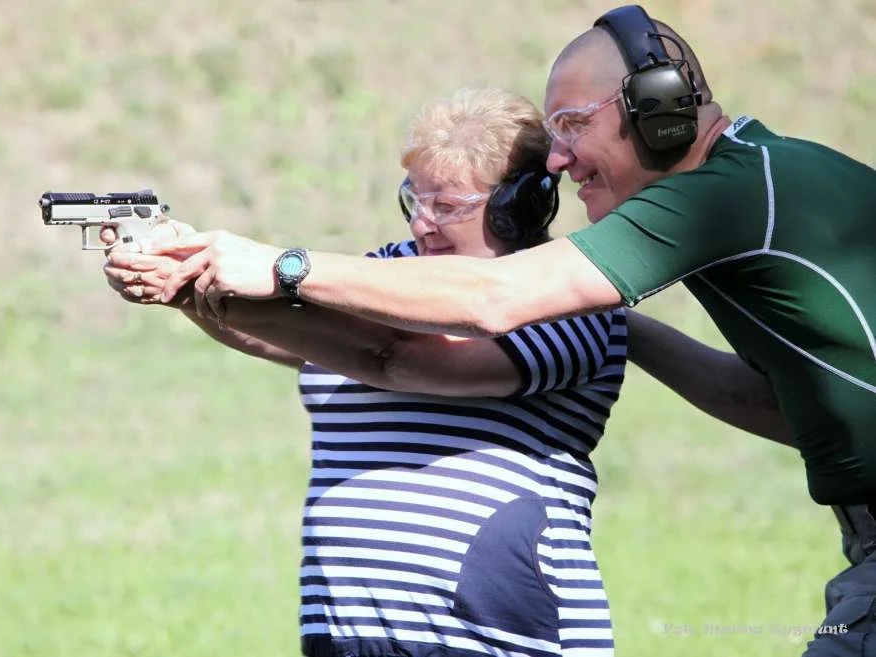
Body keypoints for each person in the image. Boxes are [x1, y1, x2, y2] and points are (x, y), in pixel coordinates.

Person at [144, 5, 876, 655]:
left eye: (575, 126)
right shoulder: (765, 182)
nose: (559, 160)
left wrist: (282, 265)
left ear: (658, 110)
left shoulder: (726, 195)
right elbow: (774, 406)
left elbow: (485, 303)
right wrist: (193, 282)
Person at [105, 88, 629, 657]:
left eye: (450, 205)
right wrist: (187, 282)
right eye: (415, 200)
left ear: (521, 205)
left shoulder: (569, 296)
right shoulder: (387, 271)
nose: (424, 223)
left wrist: (281, 271)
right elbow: (289, 337)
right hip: (348, 628)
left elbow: (410, 355)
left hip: (491, 637)